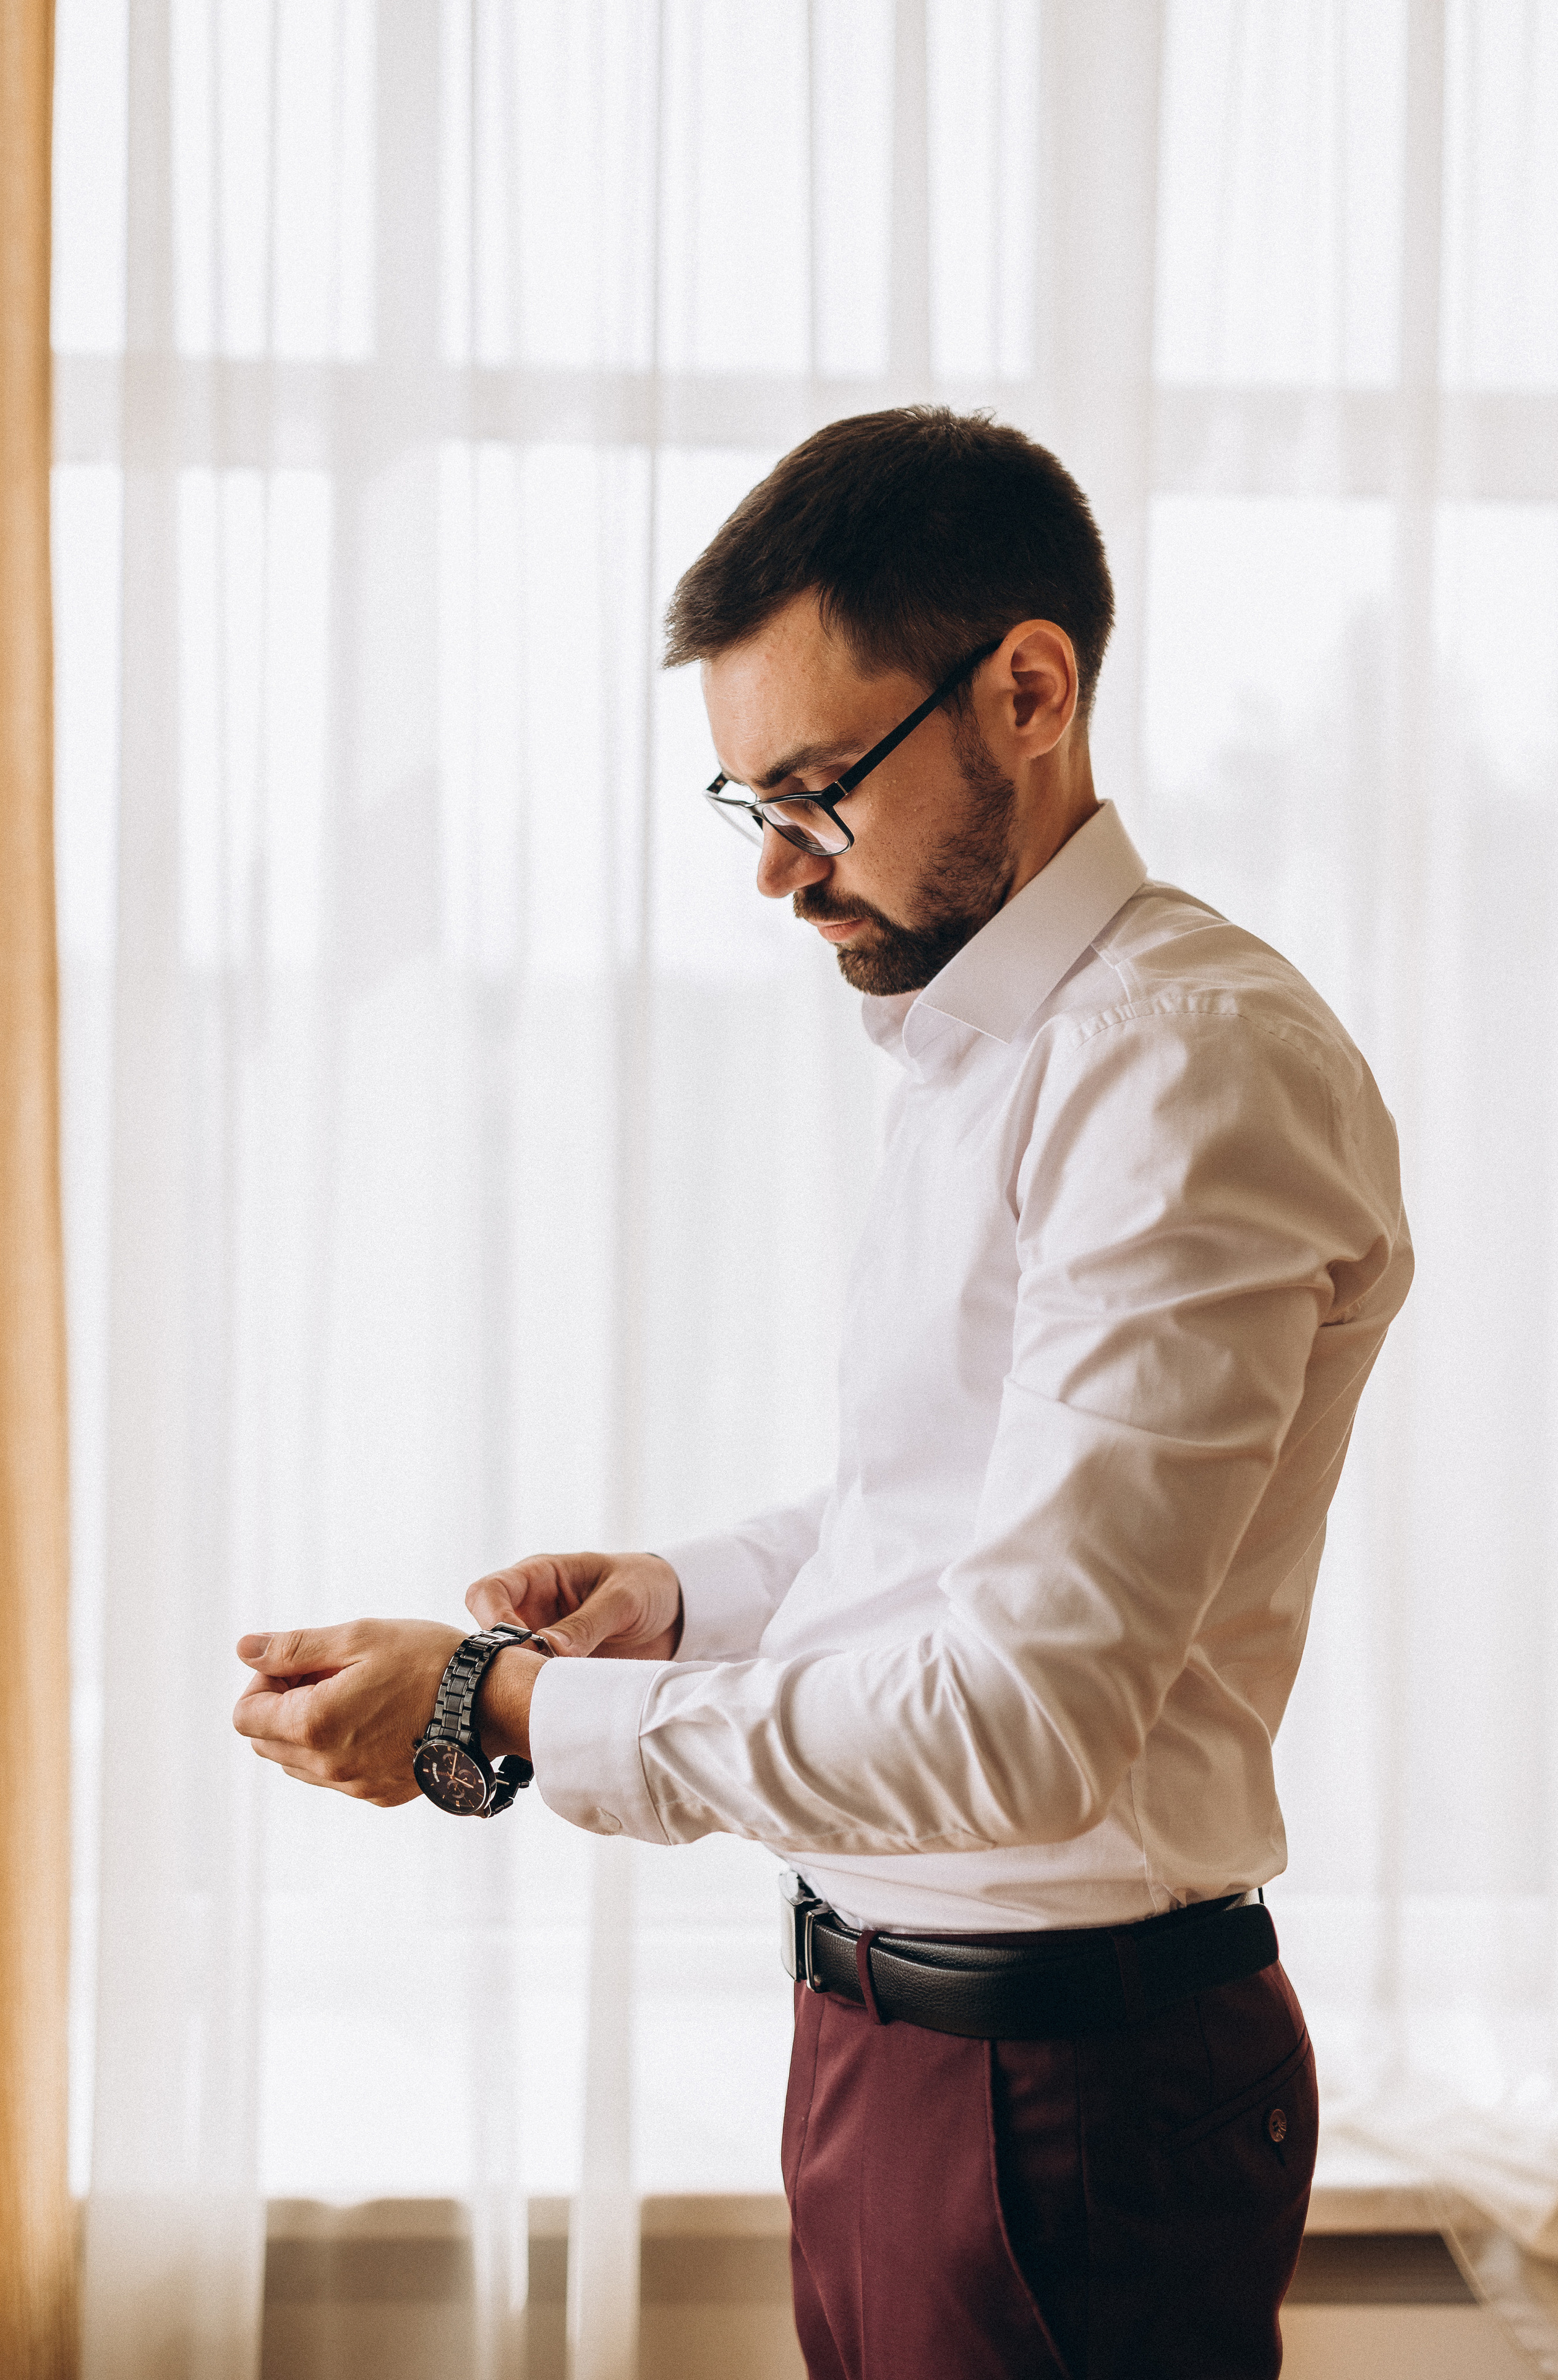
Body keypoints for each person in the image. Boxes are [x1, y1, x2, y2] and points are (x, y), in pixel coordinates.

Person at [234, 407, 1412, 2379]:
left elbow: (1025, 1725)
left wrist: (493, 1708)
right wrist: (679, 1599)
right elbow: (939, 1516)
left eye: (816, 792)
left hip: (1068, 2095)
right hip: (900, 2048)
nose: (779, 872)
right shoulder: (999, 1048)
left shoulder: (1181, 1069)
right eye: (750, 803)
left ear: (1028, 691)